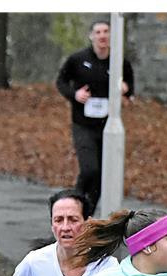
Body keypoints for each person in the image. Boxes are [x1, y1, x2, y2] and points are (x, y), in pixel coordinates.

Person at [55, 20, 135, 214]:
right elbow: (61, 82)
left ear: (111, 36)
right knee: (90, 169)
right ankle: (73, 206)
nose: (102, 36)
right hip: (83, 125)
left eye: (106, 31)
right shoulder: (78, 59)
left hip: (107, 126)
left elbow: (130, 89)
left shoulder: (119, 62)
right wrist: (75, 95)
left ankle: (86, 214)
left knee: (102, 176)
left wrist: (126, 91)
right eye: (98, 32)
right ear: (91, 36)